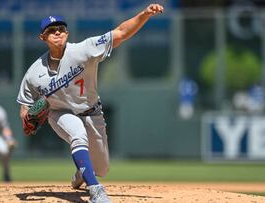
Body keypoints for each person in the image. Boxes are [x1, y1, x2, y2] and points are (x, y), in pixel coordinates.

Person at [17, 4, 164, 203]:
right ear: (42, 37)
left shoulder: (84, 49)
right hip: (60, 114)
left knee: (102, 168)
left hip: (92, 112)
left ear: (67, 33)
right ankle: (96, 191)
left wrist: (145, 14)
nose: (57, 32)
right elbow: (25, 106)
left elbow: (120, 32)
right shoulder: (34, 73)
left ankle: (82, 172)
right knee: (77, 133)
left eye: (61, 28)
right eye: (51, 30)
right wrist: (26, 118)